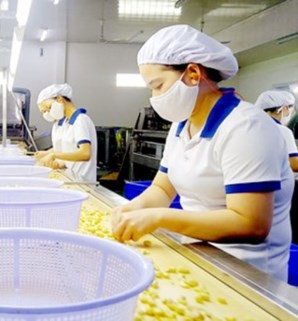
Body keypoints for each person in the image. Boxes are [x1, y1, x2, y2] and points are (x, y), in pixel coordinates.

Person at [111, 24, 293, 281]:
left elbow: (251, 224)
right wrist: (134, 208)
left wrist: (159, 217)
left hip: (246, 275)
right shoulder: (181, 125)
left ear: (193, 74)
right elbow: (163, 189)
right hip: (197, 257)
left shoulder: (245, 127)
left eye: (158, 85)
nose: (154, 97)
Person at [35, 84, 97, 182]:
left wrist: (54, 155)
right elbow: (68, 150)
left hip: (83, 182)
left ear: (60, 99)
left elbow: (85, 154)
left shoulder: (81, 120)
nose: (48, 112)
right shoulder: (67, 122)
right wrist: (50, 155)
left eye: (49, 107)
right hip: (72, 178)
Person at [255, 90, 298, 172]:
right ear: (285, 108)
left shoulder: (253, 128)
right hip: (277, 182)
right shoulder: (282, 130)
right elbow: (294, 165)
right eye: (290, 111)